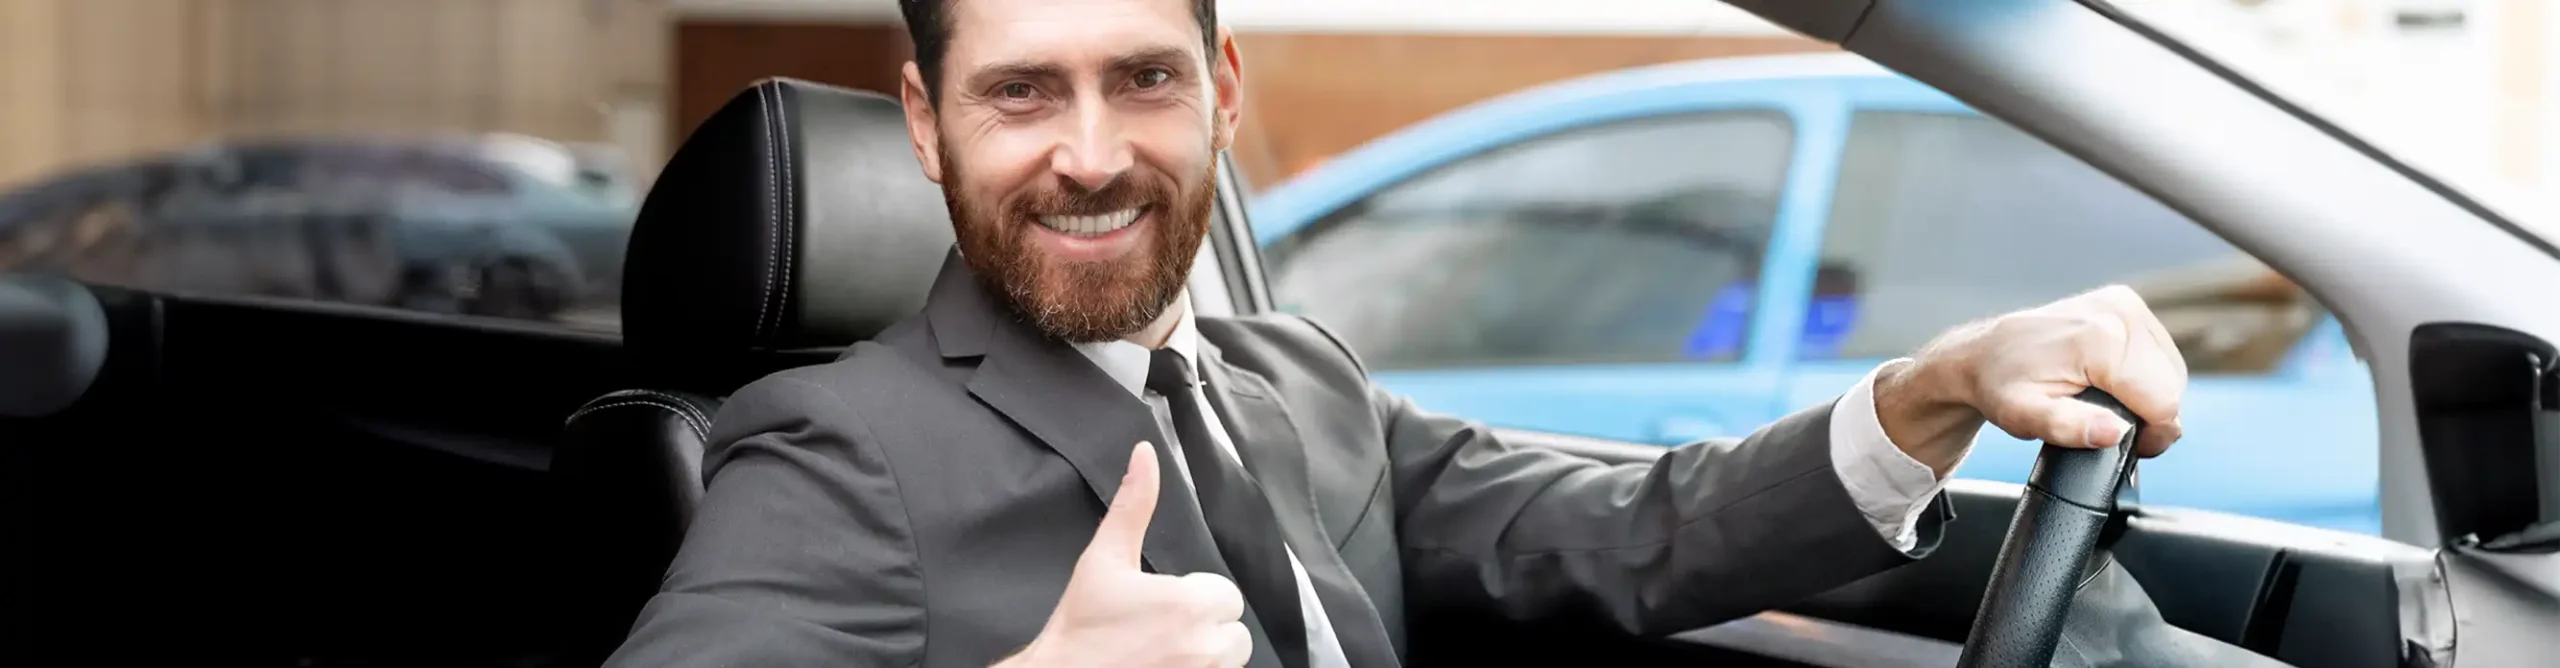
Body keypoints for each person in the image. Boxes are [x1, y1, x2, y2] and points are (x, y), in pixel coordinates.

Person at [603, 0, 2188, 666]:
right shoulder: (835, 452)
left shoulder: (1299, 380)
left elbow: (1639, 532)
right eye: (1021, 92)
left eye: (1143, 78)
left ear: (1223, 94)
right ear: (928, 131)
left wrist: (1933, 389)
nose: (1090, 152)